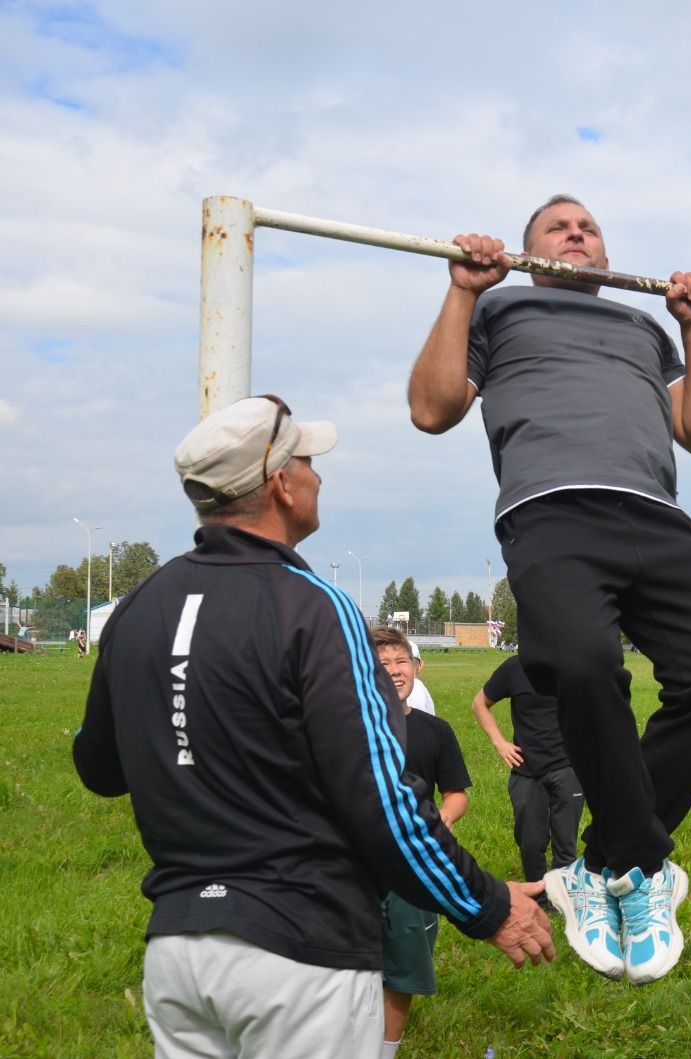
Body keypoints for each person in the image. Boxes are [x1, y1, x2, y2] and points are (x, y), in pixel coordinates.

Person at [73, 396, 554, 1059]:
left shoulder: (139, 604)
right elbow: (383, 800)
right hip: (300, 955)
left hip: (178, 950)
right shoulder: (313, 604)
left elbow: (98, 768)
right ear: (279, 484)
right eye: (306, 460)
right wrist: (488, 905)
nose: (317, 475)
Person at [407, 195, 691, 985]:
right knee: (584, 664)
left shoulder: (643, 328)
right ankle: (639, 865)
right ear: (529, 253)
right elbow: (431, 409)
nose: (577, 233)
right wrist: (462, 289)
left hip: (657, 514)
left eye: (589, 226)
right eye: (558, 227)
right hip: (551, 510)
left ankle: (600, 866)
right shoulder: (500, 308)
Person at [371, 626, 470, 1058]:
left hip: (415, 862)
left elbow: (456, 793)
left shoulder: (436, 731)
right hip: (358, 865)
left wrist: (440, 822)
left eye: (400, 662)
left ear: (417, 667)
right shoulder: (348, 728)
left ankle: (385, 1051)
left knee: (406, 962)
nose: (394, 672)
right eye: (382, 665)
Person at [471, 656, 584, 911]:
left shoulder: (574, 665)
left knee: (565, 844)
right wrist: (500, 743)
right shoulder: (514, 668)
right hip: (526, 770)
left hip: (568, 767)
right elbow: (479, 704)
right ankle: (537, 900)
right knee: (530, 843)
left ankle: (561, 903)